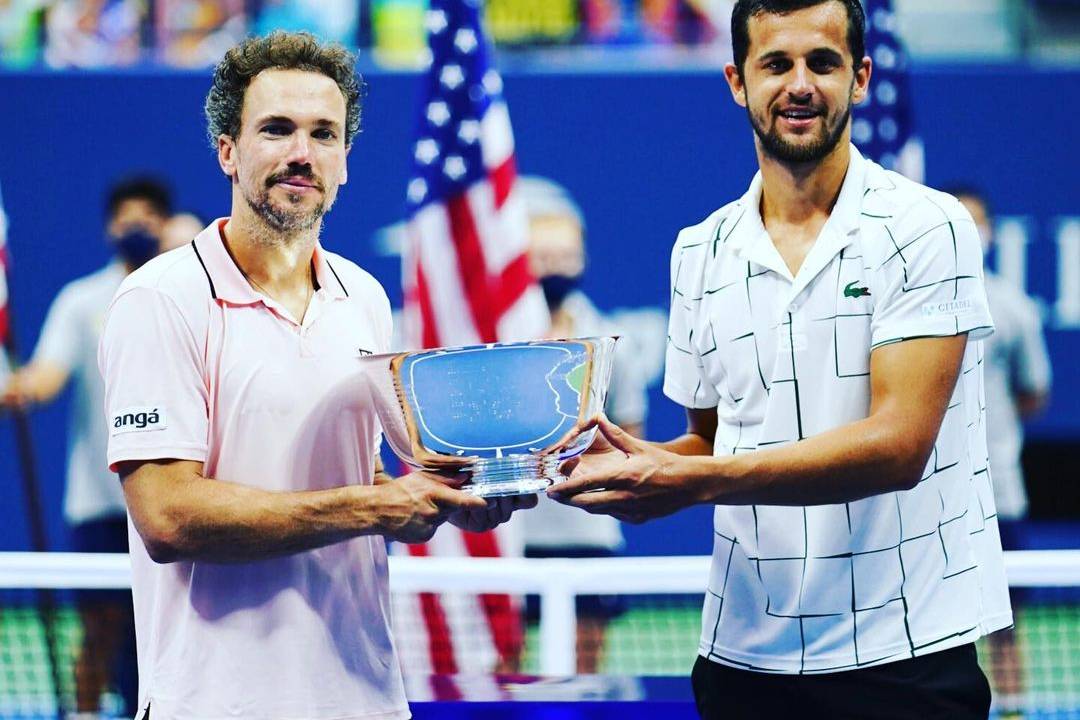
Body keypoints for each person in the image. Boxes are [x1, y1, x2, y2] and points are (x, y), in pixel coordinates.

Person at [551, 1, 1011, 717]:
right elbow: (707, 440)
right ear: (738, 81)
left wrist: (693, 479)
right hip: (741, 660)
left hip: (905, 657)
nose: (800, 84)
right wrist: (625, 470)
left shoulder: (929, 226)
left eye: (822, 63)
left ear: (859, 78)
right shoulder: (697, 250)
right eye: (776, 64)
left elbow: (899, 446)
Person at [97, 31, 534, 720]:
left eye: (323, 134)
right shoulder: (160, 299)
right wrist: (375, 508)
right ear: (228, 152)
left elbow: (369, 487)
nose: (301, 153)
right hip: (214, 704)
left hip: (362, 697)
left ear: (345, 161)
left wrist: (436, 502)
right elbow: (167, 515)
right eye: (276, 130)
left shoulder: (362, 297)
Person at [2, 175, 173, 716]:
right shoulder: (81, 302)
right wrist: (16, 385)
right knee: (100, 630)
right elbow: (44, 380)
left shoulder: (186, 294)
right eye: (125, 216)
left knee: (164, 637)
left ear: (164, 223)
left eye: (147, 214)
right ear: (108, 227)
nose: (135, 226)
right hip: (100, 504)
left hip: (174, 498)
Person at [517, 176, 649, 673]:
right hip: (515, 529)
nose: (554, 268)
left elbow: (632, 437)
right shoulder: (496, 338)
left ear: (582, 260)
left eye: (563, 257)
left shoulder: (611, 342)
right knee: (505, 666)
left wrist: (593, 470)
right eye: (542, 258)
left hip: (588, 527)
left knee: (587, 666)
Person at [950, 186, 1052, 717]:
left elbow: (1034, 391)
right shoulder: (907, 298)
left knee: (1006, 625)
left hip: (999, 494)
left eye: (979, 221)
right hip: (933, 499)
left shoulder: (1012, 307)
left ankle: (1013, 713)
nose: (972, 230)